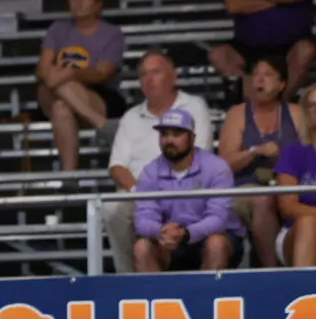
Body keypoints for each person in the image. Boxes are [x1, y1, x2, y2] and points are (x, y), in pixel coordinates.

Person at [106, 51, 215, 273]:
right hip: (140, 193)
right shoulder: (131, 117)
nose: (149, 78)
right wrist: (141, 192)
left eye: (155, 72)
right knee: (110, 208)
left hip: (185, 189)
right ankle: (128, 278)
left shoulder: (194, 106)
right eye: (143, 74)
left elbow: (199, 157)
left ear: (173, 76)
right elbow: (117, 166)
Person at [218, 55, 308, 266]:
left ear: (282, 84)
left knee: (291, 199)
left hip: (288, 185)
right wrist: (254, 151)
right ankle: (271, 271)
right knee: (263, 200)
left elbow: (308, 155)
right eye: (256, 75)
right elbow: (224, 165)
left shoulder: (295, 113)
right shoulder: (237, 114)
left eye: (267, 75)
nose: (259, 80)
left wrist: (285, 159)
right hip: (245, 189)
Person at [132, 107, 245, 273]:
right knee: (142, 248)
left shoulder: (216, 167)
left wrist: (186, 233)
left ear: (192, 138)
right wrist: (160, 232)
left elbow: (218, 219)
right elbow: (143, 219)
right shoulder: (150, 171)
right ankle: (156, 298)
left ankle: (207, 298)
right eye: (164, 134)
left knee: (216, 244)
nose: (169, 140)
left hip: (213, 237)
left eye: (177, 134)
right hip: (169, 242)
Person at [36, 0, 126, 171]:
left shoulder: (112, 34)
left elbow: (102, 73)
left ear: (98, 4)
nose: (78, 2)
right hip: (52, 90)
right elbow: (43, 69)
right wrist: (61, 76)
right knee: (56, 87)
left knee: (61, 107)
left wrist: (71, 73)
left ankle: (68, 178)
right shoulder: (57, 29)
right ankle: (102, 125)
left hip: (96, 94)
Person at [273, 87, 316, 268]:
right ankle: (307, 291)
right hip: (297, 232)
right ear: (306, 113)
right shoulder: (293, 151)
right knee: (308, 223)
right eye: (313, 105)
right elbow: (288, 206)